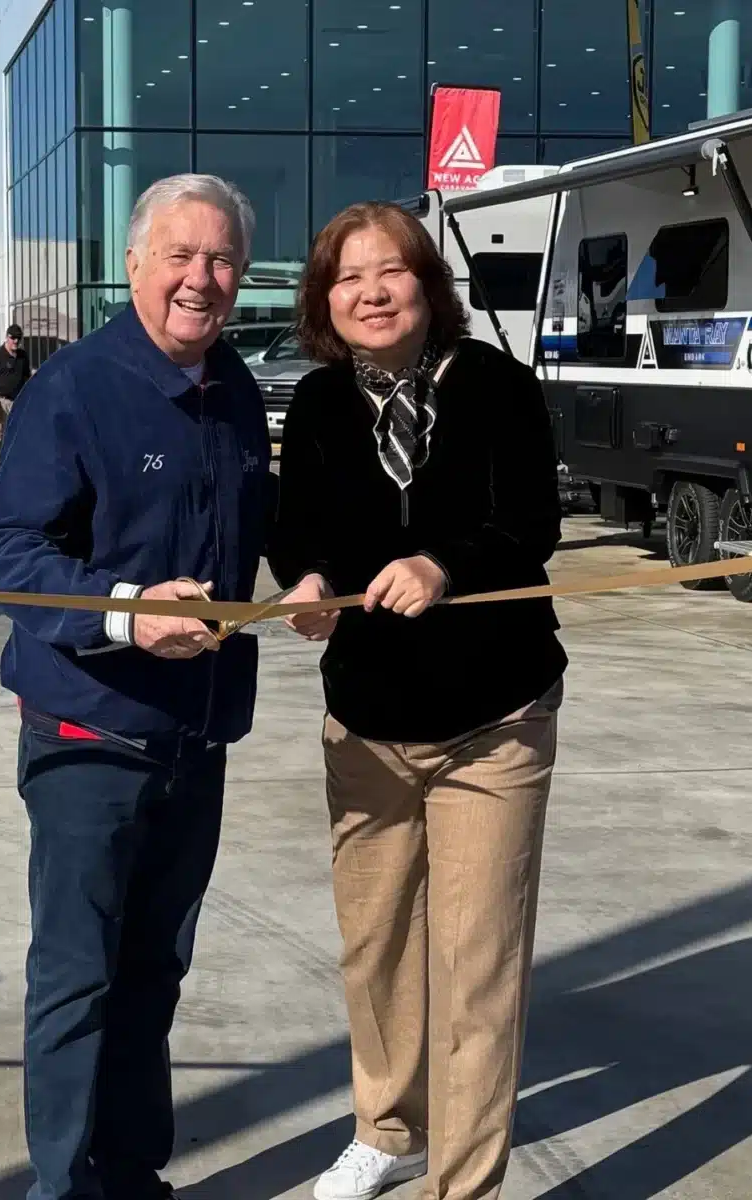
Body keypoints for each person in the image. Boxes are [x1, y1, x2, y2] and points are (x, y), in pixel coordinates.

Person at [0, 174, 272, 1200]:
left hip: (197, 737)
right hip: (89, 734)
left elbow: (252, 538)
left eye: (222, 259)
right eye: (180, 256)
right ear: (136, 262)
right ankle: (58, 1186)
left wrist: (315, 579)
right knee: (77, 977)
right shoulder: (75, 388)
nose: (202, 279)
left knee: (155, 974)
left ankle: (131, 1173)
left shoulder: (234, 391)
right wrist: (124, 608)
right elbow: (5, 554)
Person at [268, 202, 568, 1200]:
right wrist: (306, 582)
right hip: (366, 722)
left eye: (388, 271)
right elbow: (297, 526)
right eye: (346, 279)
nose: (369, 293)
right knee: (377, 947)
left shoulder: (493, 384)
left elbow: (529, 519)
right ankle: (389, 1127)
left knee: (476, 965)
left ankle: (464, 1182)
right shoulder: (316, 404)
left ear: (424, 282)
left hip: (492, 718)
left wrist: (443, 565)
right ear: (323, 301)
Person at [0, 323, 31, 474]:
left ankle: (13, 466)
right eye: (13, 338)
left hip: (17, 401)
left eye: (18, 338)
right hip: (0, 401)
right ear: (7, 337)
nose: (15, 341)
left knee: (17, 433)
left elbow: (27, 377)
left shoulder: (22, 356)